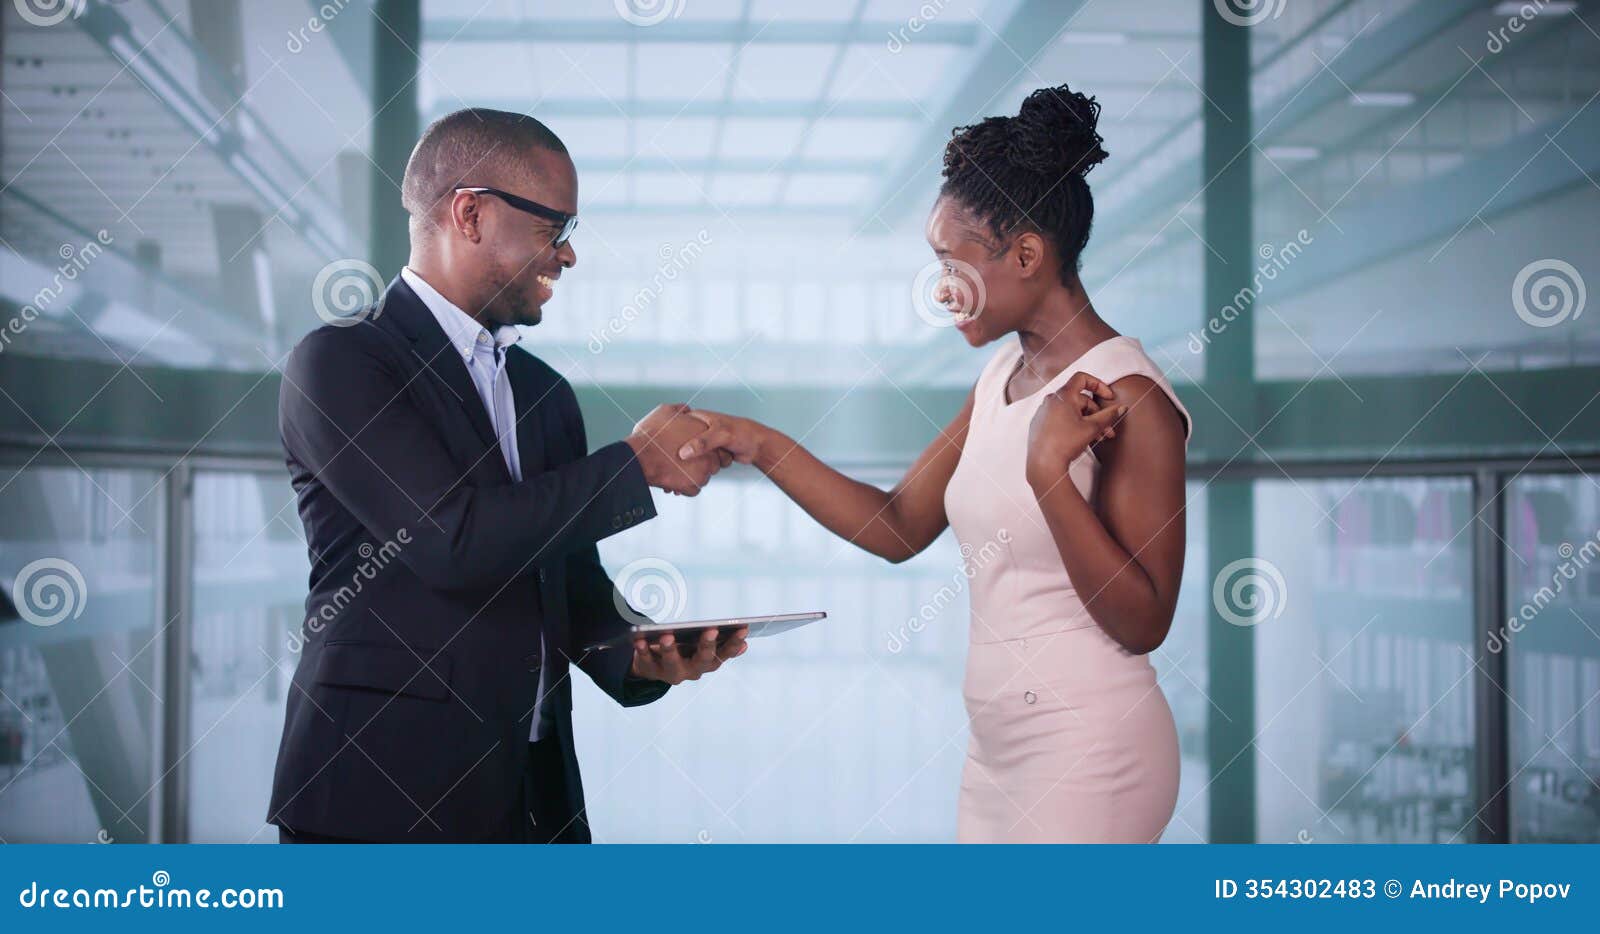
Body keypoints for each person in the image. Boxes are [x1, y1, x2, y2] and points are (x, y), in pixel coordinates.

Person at [681, 85, 1193, 843]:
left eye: (951, 261)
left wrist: (1049, 473)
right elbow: (897, 526)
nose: (939, 286)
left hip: (1093, 750)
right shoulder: (1000, 383)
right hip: (997, 757)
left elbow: (1145, 620)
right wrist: (755, 442)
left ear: (1026, 254)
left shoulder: (1128, 395)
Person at [268, 109, 745, 844]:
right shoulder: (341, 362)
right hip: (374, 804)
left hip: (531, 805)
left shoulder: (545, 392)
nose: (568, 255)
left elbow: (569, 590)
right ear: (471, 213)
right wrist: (635, 463)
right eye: (557, 227)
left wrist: (647, 657)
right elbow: (449, 541)